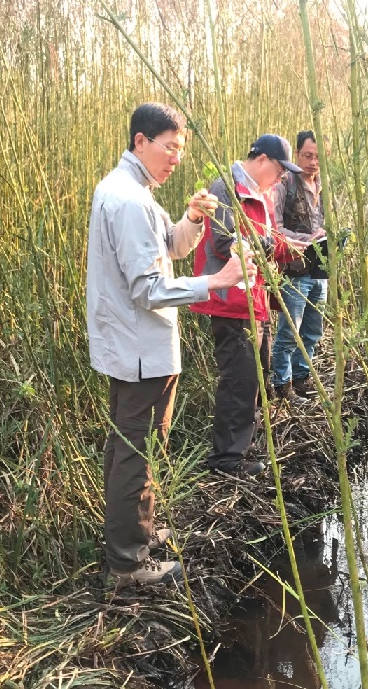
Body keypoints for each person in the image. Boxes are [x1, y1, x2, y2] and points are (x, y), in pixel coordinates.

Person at [86, 102, 254, 587]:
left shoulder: (131, 191)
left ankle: (135, 534)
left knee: (132, 446)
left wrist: (192, 218)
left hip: (134, 346)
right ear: (141, 141)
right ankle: (127, 564)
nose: (176, 158)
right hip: (141, 350)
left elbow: (171, 248)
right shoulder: (129, 199)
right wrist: (215, 280)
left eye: (181, 150)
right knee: (134, 451)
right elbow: (148, 288)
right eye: (170, 147)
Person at [190, 135, 303, 476]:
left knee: (256, 379)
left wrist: (296, 250)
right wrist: (272, 244)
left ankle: (243, 449)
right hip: (230, 300)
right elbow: (227, 243)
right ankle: (226, 461)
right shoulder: (227, 189)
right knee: (240, 380)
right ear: (265, 160)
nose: (282, 178)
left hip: (254, 299)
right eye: (281, 169)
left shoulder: (260, 194)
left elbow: (262, 243)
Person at [270, 130, 327, 402]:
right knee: (289, 331)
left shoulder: (323, 187)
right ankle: (282, 385)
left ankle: (302, 378)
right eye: (307, 155)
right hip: (294, 269)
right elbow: (274, 229)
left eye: (317, 157)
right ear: (297, 154)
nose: (313, 162)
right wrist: (306, 239)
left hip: (320, 269)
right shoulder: (285, 185)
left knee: (313, 330)